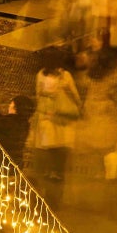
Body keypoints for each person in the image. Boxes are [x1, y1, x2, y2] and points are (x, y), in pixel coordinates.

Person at [28, 65, 82, 208]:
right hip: (53, 133)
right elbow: (75, 98)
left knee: (52, 169)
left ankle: (50, 201)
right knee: (53, 169)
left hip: (55, 133)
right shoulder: (60, 75)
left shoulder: (54, 75)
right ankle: (50, 201)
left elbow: (38, 95)